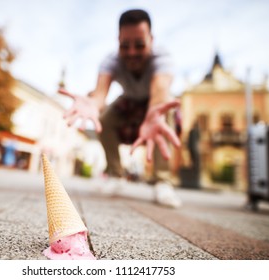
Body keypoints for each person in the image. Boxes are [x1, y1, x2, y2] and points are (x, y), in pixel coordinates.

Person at [59, 9, 181, 207]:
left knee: (162, 115)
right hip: (129, 99)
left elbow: (159, 92)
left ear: (151, 39)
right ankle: (116, 176)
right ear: (118, 40)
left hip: (154, 102)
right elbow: (100, 95)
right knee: (105, 120)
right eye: (125, 46)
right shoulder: (111, 61)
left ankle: (163, 182)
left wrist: (153, 113)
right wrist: (93, 104)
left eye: (139, 45)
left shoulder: (163, 58)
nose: (132, 52)